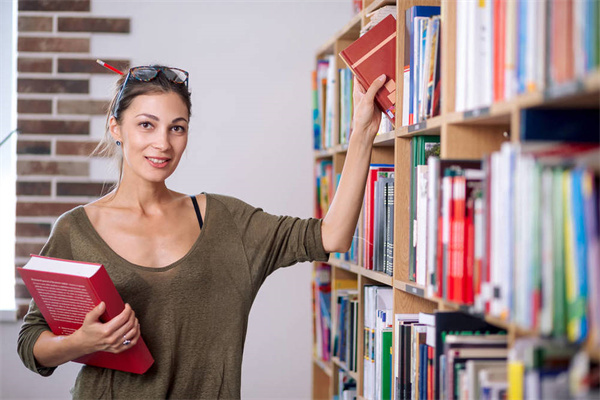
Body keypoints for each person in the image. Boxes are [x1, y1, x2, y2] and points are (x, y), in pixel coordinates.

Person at [17, 63, 388, 398]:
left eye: (176, 128)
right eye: (146, 124)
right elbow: (31, 343)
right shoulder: (77, 229)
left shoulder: (226, 221)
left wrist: (362, 133)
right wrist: (81, 342)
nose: (163, 143)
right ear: (116, 128)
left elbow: (332, 236)